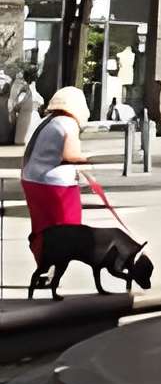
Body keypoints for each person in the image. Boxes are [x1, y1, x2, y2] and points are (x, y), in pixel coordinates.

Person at [21, 86, 92, 267]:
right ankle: (54, 264)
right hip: (57, 185)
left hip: (31, 179)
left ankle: (43, 264)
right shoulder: (69, 123)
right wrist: (91, 160)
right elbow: (71, 156)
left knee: (43, 226)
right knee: (68, 227)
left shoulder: (48, 121)